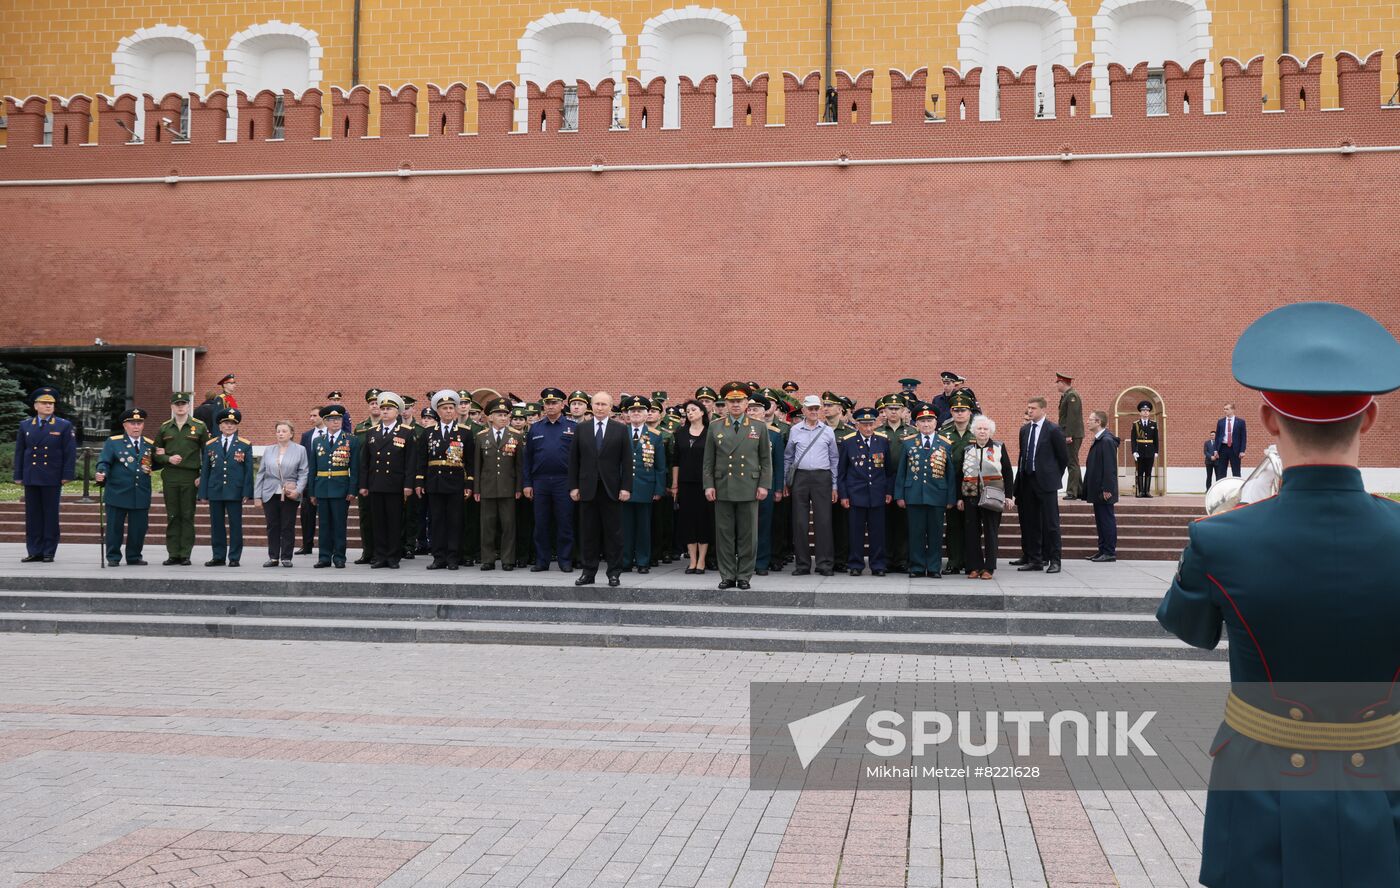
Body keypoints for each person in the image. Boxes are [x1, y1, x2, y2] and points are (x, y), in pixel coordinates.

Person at [1156, 301, 1400, 888]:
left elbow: (1189, 628)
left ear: (1267, 421)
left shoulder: (1219, 537)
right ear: (1368, 420)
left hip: (1261, 789)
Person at [703, 382, 771, 591]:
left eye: (739, 401)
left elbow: (765, 460)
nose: (735, 404)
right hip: (723, 486)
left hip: (748, 486)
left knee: (748, 535)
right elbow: (708, 460)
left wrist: (764, 485)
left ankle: (744, 575)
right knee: (724, 535)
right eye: (731, 401)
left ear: (746, 403)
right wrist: (708, 485)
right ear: (725, 403)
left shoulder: (758, 427)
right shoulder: (715, 426)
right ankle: (727, 575)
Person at [569, 391, 633, 587]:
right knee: (588, 533)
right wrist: (573, 486)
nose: (599, 407)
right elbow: (574, 460)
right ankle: (588, 572)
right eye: (596, 404)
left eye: (604, 404)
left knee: (613, 533)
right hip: (587, 488)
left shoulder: (620, 429)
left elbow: (627, 461)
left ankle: (614, 573)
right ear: (591, 405)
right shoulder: (582, 429)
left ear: (611, 407)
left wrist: (626, 487)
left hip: (611, 489)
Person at [14, 385, 77, 562]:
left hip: (52, 476)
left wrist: (67, 474)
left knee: (50, 515)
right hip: (32, 475)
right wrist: (18, 474)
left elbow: (69, 452)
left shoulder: (63, 425)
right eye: (43, 403)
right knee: (33, 516)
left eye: (51, 404)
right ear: (35, 406)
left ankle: (49, 550)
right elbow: (20, 451)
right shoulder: (25, 425)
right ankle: (34, 550)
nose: (48, 406)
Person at [894, 402, 957, 578]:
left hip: (937, 495)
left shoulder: (945, 443)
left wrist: (951, 498)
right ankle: (917, 567)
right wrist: (899, 495)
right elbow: (901, 471)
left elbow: (950, 473)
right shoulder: (907, 444)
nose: (926, 424)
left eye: (929, 420)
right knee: (916, 534)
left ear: (936, 423)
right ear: (917, 424)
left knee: (936, 535)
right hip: (913, 494)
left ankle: (934, 567)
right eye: (922, 421)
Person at [359, 391, 417, 569]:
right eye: (382, 408)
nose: (384, 411)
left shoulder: (406, 432)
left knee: (394, 521)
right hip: (376, 483)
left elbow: (410, 462)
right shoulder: (371, 432)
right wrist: (363, 485)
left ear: (397, 411)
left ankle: (393, 556)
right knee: (378, 522)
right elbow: (365, 462)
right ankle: (379, 555)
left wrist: (408, 485)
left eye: (389, 408)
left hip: (395, 484)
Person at [418, 390, 474, 570]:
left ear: (455, 410)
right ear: (438, 411)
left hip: (456, 482)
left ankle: (453, 557)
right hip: (434, 482)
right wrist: (419, 482)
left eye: (451, 408)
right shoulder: (428, 433)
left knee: (455, 521)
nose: (448, 411)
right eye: (444, 408)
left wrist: (469, 483)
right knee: (436, 520)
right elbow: (421, 460)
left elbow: (470, 462)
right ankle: (438, 557)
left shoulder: (464, 433)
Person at [784, 394, 839, 576]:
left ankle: (824, 564)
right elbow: (788, 457)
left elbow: (834, 459)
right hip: (800, 477)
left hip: (822, 477)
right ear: (804, 410)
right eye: (811, 409)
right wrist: (786, 481)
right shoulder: (795, 430)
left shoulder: (827, 431)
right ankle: (802, 564)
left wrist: (834, 485)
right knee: (800, 521)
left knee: (823, 521)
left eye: (817, 408)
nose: (814, 411)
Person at [523, 387, 577, 572]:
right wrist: (527, 483)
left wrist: (576, 485)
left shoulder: (573, 427)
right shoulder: (535, 428)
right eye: (547, 403)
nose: (551, 406)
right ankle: (542, 560)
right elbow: (527, 458)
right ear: (543, 406)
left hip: (564, 481)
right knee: (541, 523)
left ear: (562, 404)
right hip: (541, 481)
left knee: (565, 522)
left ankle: (565, 560)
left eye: (554, 403)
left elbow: (579, 458)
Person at [152, 392, 209, 566]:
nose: (180, 407)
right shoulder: (165, 427)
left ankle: (185, 554)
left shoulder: (199, 426)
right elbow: (155, 452)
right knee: (172, 515)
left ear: (189, 405)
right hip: (170, 475)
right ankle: (173, 553)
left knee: (187, 515)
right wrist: (167, 458)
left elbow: (208, 453)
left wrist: (202, 475)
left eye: (183, 403)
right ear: (172, 406)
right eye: (177, 404)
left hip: (190, 476)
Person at [95, 407, 156, 566]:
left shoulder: (149, 444)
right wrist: (101, 472)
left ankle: (134, 556)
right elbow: (104, 461)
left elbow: (155, 463)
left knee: (139, 528)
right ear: (125, 425)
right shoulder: (114, 442)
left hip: (140, 491)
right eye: (132, 423)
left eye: (139, 423)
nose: (136, 427)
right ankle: (113, 557)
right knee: (114, 528)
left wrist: (168, 458)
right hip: (118, 491)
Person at [1014, 395, 1069, 573]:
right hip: (1028, 481)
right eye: (1028, 408)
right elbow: (1023, 455)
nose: (1030, 411)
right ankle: (1035, 559)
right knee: (1031, 522)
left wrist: (1052, 476)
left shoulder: (1053, 429)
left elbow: (1063, 458)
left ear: (1043, 410)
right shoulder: (1025, 430)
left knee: (1051, 523)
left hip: (1046, 483)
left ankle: (1055, 560)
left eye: (1033, 408)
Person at [957, 414, 1015, 578]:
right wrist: (959, 497)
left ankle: (989, 568)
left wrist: (1009, 496)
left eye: (985, 429)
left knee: (991, 532)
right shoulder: (967, 449)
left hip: (993, 496)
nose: (982, 431)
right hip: (970, 496)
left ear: (990, 431)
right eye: (979, 429)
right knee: (971, 532)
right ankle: (974, 567)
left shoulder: (998, 447)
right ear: (974, 431)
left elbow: (1008, 472)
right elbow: (958, 475)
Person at [838, 407, 894, 576]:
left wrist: (888, 491)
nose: (868, 428)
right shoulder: (848, 442)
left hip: (877, 494)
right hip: (856, 494)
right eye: (864, 425)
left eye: (871, 424)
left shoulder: (882, 441)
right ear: (857, 425)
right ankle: (855, 564)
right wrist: (844, 495)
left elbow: (888, 471)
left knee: (878, 532)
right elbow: (842, 472)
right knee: (855, 532)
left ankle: (878, 565)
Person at [199, 407, 255, 567]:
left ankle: (234, 557)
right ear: (220, 426)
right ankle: (218, 556)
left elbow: (248, 470)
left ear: (236, 426)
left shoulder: (244, 445)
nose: (229, 426)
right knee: (216, 525)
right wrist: (203, 492)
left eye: (232, 423)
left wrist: (247, 492)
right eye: (226, 423)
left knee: (235, 525)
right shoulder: (210, 444)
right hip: (215, 490)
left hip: (235, 491)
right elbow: (205, 470)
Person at [475, 398, 526, 570]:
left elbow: (519, 466)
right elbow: (477, 466)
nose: (503, 418)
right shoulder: (481, 437)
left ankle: (508, 560)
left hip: (508, 488)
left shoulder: (516, 436)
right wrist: (476, 489)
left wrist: (519, 487)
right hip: (487, 487)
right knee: (487, 526)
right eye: (499, 415)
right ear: (490, 417)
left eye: (505, 415)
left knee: (508, 526)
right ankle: (487, 559)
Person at [619, 394, 666, 573]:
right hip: (624, 487)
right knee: (625, 527)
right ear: (627, 415)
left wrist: (659, 489)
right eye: (633, 411)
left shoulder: (655, 436)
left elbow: (660, 466)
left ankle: (643, 561)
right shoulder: (620, 432)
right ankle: (625, 560)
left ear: (647, 414)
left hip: (646, 487)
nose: (636, 413)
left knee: (644, 528)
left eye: (640, 410)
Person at [308, 404, 358, 568]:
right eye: (331, 420)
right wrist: (312, 491)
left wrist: (352, 489)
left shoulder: (351, 440)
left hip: (341, 488)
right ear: (325, 421)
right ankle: (324, 557)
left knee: (339, 524)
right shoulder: (317, 441)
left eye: (338, 419)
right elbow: (313, 468)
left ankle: (339, 557)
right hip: (322, 487)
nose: (335, 422)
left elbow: (355, 467)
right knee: (324, 525)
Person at [254, 420, 309, 567]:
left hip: (290, 493)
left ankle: (286, 557)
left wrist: (298, 491)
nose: (280, 434)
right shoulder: (269, 450)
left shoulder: (300, 450)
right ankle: (273, 557)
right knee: (272, 525)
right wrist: (257, 496)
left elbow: (304, 473)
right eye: (278, 431)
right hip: (270, 492)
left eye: (284, 431)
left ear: (291, 433)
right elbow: (261, 473)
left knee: (287, 525)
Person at [672, 399, 713, 574]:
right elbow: (675, 461)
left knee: (703, 521)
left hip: (705, 484)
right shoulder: (680, 433)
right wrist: (674, 484)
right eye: (687, 411)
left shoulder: (711, 432)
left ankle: (702, 560)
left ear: (702, 412)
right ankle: (692, 561)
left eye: (693, 409)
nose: (690, 413)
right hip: (685, 483)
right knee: (688, 521)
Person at [939, 392, 977, 574]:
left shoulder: (978, 433)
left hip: (973, 487)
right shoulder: (944, 434)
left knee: (972, 525)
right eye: (956, 410)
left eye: (963, 410)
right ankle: (954, 561)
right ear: (951, 412)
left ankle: (971, 561)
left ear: (970, 412)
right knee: (953, 526)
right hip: (951, 485)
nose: (960, 413)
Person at [878, 392, 916, 572]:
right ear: (884, 411)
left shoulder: (912, 432)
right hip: (882, 481)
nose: (893, 412)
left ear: (903, 411)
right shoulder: (877, 431)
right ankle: (885, 560)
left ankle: (901, 559)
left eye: (897, 409)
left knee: (903, 522)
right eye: (890, 409)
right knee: (884, 522)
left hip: (905, 481)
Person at [751, 394, 785, 576]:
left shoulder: (774, 434)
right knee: (744, 526)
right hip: (743, 484)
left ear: (765, 412)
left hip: (767, 485)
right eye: (749, 409)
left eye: (756, 409)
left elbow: (779, 464)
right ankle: (744, 561)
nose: (752, 412)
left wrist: (778, 487)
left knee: (764, 526)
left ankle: (761, 562)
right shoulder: (738, 431)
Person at [1081, 409, 1119, 562]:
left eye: (1091, 419)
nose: (1087, 421)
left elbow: (1109, 468)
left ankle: (1109, 552)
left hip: (1104, 490)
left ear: (1099, 422)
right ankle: (1102, 550)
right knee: (1101, 520)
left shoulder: (1106, 441)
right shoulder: (1100, 439)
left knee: (1106, 520)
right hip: (1098, 489)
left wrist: (1107, 489)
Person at [351, 388, 382, 564]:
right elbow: (357, 457)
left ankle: (381, 552)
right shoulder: (360, 428)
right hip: (365, 479)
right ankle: (367, 552)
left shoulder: (392, 426)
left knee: (381, 517)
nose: (375, 406)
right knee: (365, 517)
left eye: (378, 403)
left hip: (384, 478)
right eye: (372, 403)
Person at [648, 393, 677, 566]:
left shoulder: (666, 435)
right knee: (649, 520)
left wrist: (670, 484)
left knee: (664, 520)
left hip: (663, 481)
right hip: (645, 481)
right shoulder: (640, 432)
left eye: (654, 411)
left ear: (660, 414)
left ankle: (665, 550)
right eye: (648, 411)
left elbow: (672, 460)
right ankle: (651, 551)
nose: (650, 413)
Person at [296, 407, 327, 554]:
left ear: (323, 417)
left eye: (314, 415)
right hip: (309, 480)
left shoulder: (332, 434)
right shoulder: (307, 435)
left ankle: (327, 545)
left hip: (326, 480)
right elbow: (302, 458)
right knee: (307, 514)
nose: (311, 419)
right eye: (310, 415)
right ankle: (307, 544)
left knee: (326, 515)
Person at [1055, 372, 1085, 501]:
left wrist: (1068, 435)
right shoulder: (1067, 395)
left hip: (1072, 434)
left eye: (1058, 383)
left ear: (1063, 383)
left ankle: (1072, 492)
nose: (1057, 385)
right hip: (1070, 433)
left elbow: (1073, 417)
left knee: (1071, 462)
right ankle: (1079, 491)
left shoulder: (1072, 396)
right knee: (1073, 462)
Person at [1130, 399, 1159, 497]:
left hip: (1150, 451)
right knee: (1140, 471)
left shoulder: (1153, 424)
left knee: (1148, 472)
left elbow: (1156, 439)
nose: (1145, 412)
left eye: (1147, 411)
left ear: (1149, 412)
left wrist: (1156, 451)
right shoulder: (1136, 424)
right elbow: (1133, 439)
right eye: (1143, 410)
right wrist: (1134, 451)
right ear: (1140, 412)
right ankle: (1141, 491)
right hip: (1140, 451)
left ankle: (1147, 491)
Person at [1215, 402, 1246, 477]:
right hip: (1223, 448)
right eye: (1224, 409)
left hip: (1235, 449)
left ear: (1233, 410)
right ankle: (1221, 488)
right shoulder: (1220, 422)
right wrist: (1215, 450)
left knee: (1236, 471)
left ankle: (1237, 488)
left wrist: (1242, 451)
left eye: (1227, 409)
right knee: (1221, 472)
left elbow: (1243, 437)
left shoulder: (1241, 422)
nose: (1225, 411)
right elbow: (1217, 437)